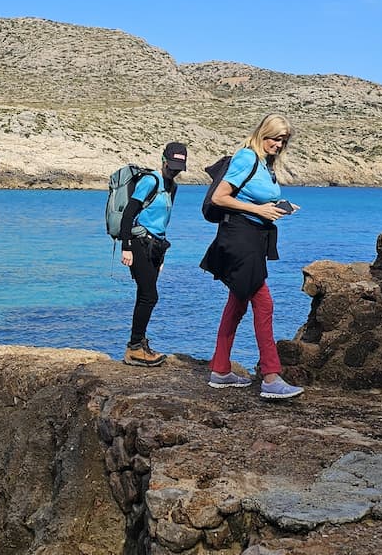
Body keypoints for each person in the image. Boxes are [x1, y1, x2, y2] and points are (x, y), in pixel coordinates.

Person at [199, 114, 306, 400]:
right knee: (264, 303)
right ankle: (271, 376)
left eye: (284, 140)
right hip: (240, 238)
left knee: (237, 303)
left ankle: (220, 370)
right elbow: (220, 197)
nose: (279, 145)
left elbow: (252, 197)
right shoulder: (246, 157)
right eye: (275, 138)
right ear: (262, 134)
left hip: (254, 239)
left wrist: (278, 206)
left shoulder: (265, 164)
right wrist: (260, 211)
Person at [119, 141, 188, 365]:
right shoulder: (150, 181)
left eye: (179, 168)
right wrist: (126, 247)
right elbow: (128, 215)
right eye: (171, 166)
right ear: (163, 160)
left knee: (144, 295)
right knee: (150, 295)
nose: (174, 171)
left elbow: (163, 224)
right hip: (138, 243)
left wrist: (162, 257)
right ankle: (135, 347)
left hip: (156, 247)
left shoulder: (173, 187)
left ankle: (138, 344)